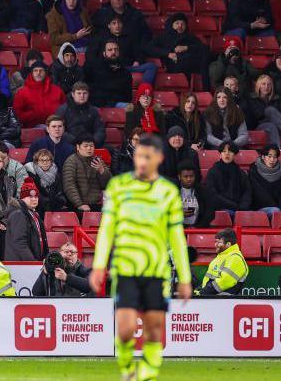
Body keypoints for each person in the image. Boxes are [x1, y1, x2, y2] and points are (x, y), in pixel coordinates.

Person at [90, 132, 191, 380]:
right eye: (138, 156)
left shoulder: (168, 192)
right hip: (126, 269)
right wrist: (99, 265)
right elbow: (107, 229)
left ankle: (144, 375)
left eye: (147, 157)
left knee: (154, 332)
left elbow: (177, 236)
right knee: (125, 330)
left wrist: (186, 277)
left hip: (157, 271)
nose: (141, 162)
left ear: (159, 158)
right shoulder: (118, 186)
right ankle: (126, 370)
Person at [3, 179, 48, 262]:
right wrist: (32, 262)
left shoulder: (33, 213)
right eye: (30, 197)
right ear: (22, 198)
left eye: (36, 196)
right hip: (21, 265)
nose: (34, 199)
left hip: (29, 263)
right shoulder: (18, 214)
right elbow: (20, 242)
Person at [63, 135, 111, 213]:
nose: (89, 148)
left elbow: (107, 185)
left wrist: (102, 170)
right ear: (78, 147)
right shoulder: (71, 161)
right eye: (85, 146)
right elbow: (69, 185)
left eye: (91, 146)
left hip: (96, 205)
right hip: (76, 206)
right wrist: (79, 204)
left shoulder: (98, 161)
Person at [247, 145, 281, 219]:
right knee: (275, 211)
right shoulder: (253, 172)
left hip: (279, 207)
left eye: (275, 157)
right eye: (269, 156)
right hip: (259, 207)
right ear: (263, 157)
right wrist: (275, 206)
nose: (272, 159)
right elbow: (257, 192)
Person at [198, 228, 249, 296]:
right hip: (213, 299)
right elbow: (208, 280)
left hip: (225, 301)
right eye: (215, 242)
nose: (216, 245)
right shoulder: (220, 257)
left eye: (219, 242)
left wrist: (203, 292)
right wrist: (200, 290)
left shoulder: (235, 258)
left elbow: (225, 281)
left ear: (228, 244)